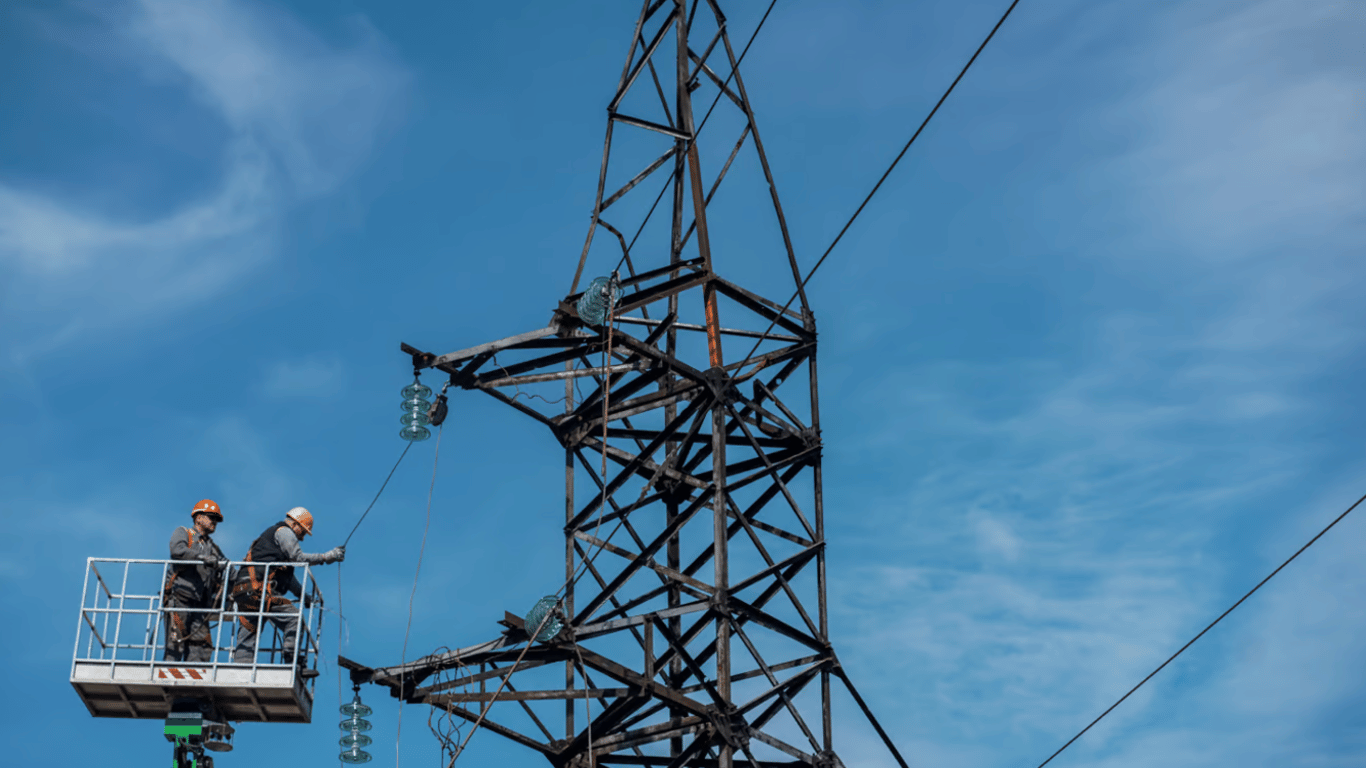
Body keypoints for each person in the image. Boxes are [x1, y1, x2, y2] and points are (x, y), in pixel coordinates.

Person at [229, 507, 343, 677]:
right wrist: (326, 557)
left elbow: (287, 580)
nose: (301, 538)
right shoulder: (284, 532)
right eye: (302, 532)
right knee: (293, 618)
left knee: (248, 633)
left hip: (244, 591)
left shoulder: (273, 549)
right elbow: (299, 558)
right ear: (296, 524)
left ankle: (240, 672)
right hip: (257, 589)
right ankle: (293, 663)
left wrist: (304, 597)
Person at [163, 499, 228, 662]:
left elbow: (227, 568)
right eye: (211, 517)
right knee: (175, 645)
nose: (214, 522)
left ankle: (194, 685)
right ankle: (171, 683)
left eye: (216, 519)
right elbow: (177, 551)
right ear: (198, 517)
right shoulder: (184, 532)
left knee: (202, 649)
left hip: (199, 605)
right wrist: (201, 558)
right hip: (179, 599)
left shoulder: (213, 547)